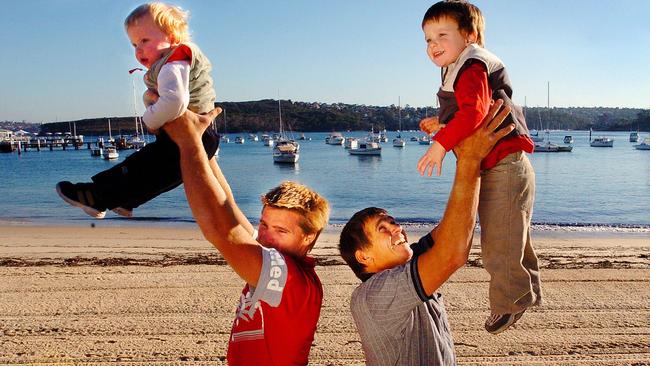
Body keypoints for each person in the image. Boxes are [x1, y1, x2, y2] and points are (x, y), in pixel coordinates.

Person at [339, 101, 514, 365]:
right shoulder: (372, 297)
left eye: (392, 221)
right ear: (363, 257)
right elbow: (452, 254)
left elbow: (451, 229)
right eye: (382, 229)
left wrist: (458, 137)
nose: (397, 228)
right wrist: (469, 158)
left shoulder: (406, 266)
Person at [161, 107, 330, 365]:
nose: (266, 237)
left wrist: (188, 142)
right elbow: (228, 208)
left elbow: (219, 230)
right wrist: (207, 149)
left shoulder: (290, 278)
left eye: (281, 230)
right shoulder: (275, 255)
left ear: (309, 237)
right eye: (264, 224)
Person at [416, 0, 541, 333]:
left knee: (499, 244)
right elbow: (471, 116)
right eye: (428, 39)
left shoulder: (472, 66)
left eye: (442, 35)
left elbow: (473, 114)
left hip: (503, 166)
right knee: (513, 237)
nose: (433, 45)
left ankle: (510, 303)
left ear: (469, 36)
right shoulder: (460, 68)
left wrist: (440, 146)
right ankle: (527, 292)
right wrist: (443, 125)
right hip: (506, 165)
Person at [56, 2, 219, 219]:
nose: (138, 49)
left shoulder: (174, 62)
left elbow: (175, 101)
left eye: (145, 40)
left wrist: (149, 119)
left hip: (192, 134)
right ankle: (125, 201)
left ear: (171, 37)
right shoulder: (174, 61)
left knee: (142, 167)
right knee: (154, 172)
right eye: (134, 44)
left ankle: (95, 195)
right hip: (200, 135)